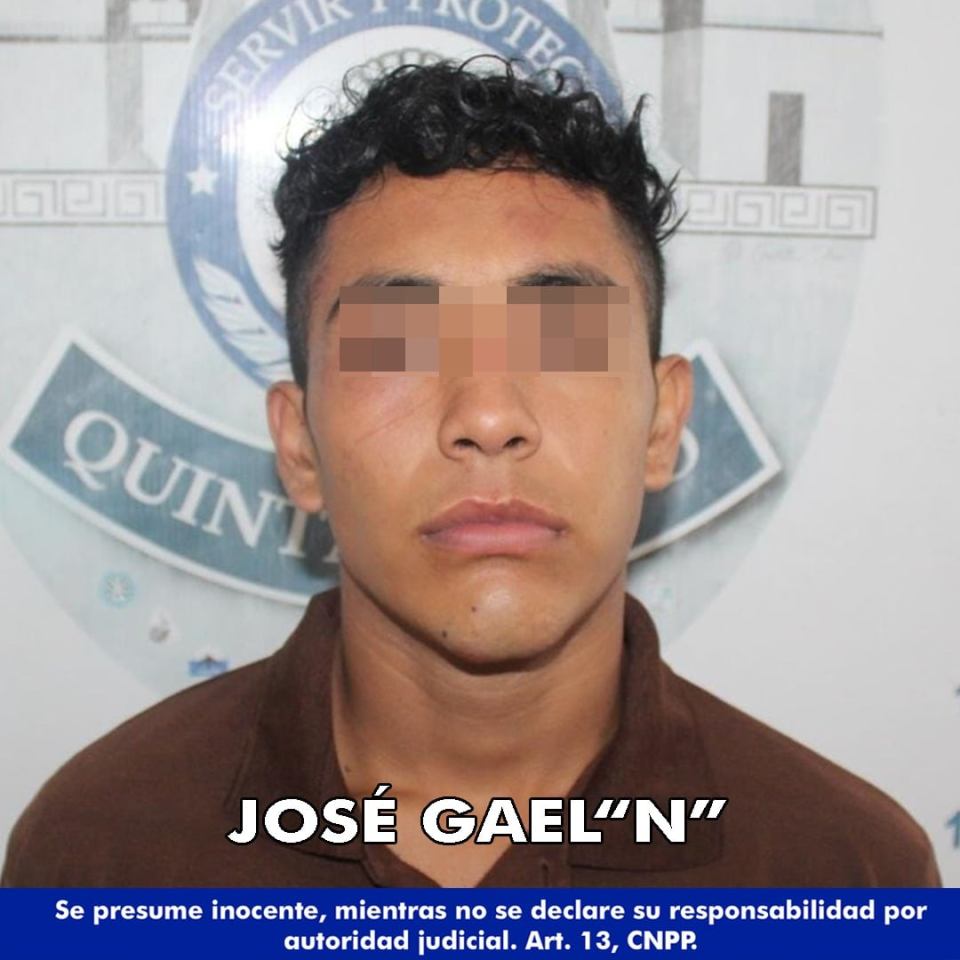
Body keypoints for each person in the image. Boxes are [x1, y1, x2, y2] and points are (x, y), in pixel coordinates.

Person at [1, 57, 940, 888]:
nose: (488, 416)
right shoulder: (104, 857)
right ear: (299, 446)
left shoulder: (844, 877)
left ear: (662, 424)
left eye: (563, 338)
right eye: (398, 343)